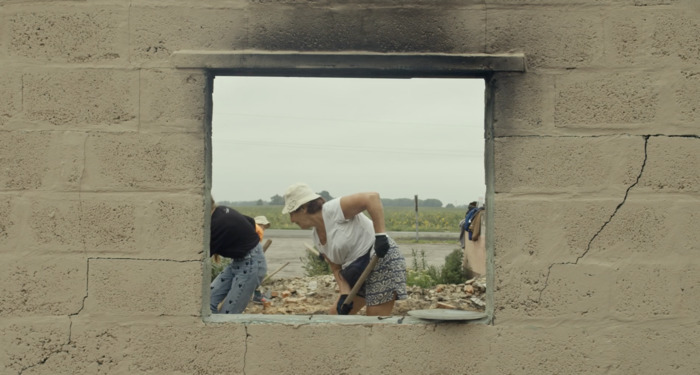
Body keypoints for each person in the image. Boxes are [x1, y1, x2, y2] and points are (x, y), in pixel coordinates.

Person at [281, 182, 407, 316]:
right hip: (358, 270)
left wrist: (380, 235)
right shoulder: (317, 238)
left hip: (380, 258)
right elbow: (336, 268)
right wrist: (344, 294)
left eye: (291, 213)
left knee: (374, 320)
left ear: (303, 208)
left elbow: (372, 198)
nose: (292, 220)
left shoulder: (333, 210)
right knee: (336, 315)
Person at [209, 197, 268, 314]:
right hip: (240, 261)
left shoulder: (216, 224)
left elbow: (200, 258)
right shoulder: (220, 210)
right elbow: (250, 221)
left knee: (228, 315)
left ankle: (221, 332)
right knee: (207, 303)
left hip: (250, 264)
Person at [251, 215, 271, 304]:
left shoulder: (252, 231)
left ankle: (257, 295)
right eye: (264, 226)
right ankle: (257, 297)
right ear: (259, 224)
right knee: (259, 273)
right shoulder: (256, 231)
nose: (264, 229)